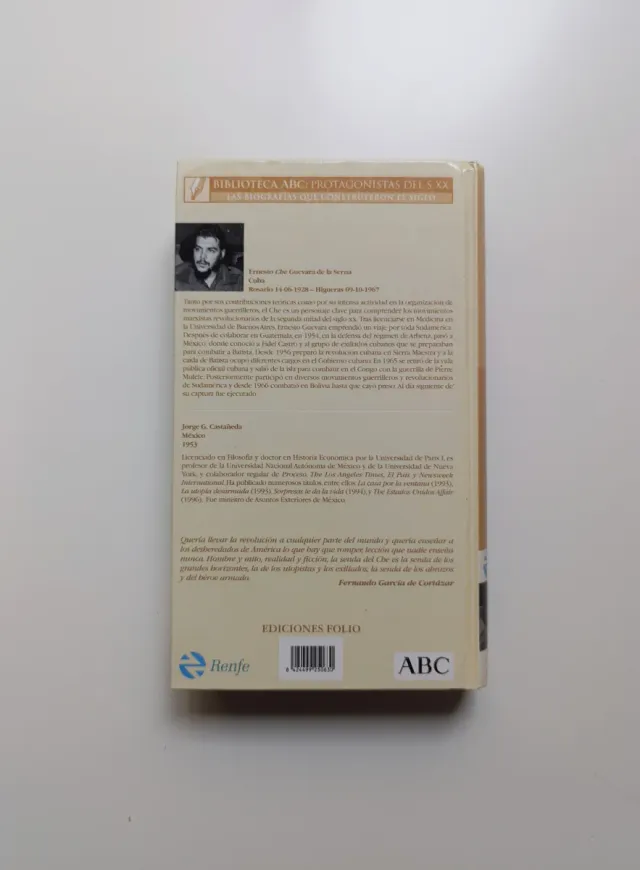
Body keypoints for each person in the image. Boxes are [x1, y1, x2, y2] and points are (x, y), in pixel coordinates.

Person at [175, 224, 243, 291]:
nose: (202, 256)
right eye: (198, 249)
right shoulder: (177, 280)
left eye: (210, 250)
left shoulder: (238, 281)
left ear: (222, 254)